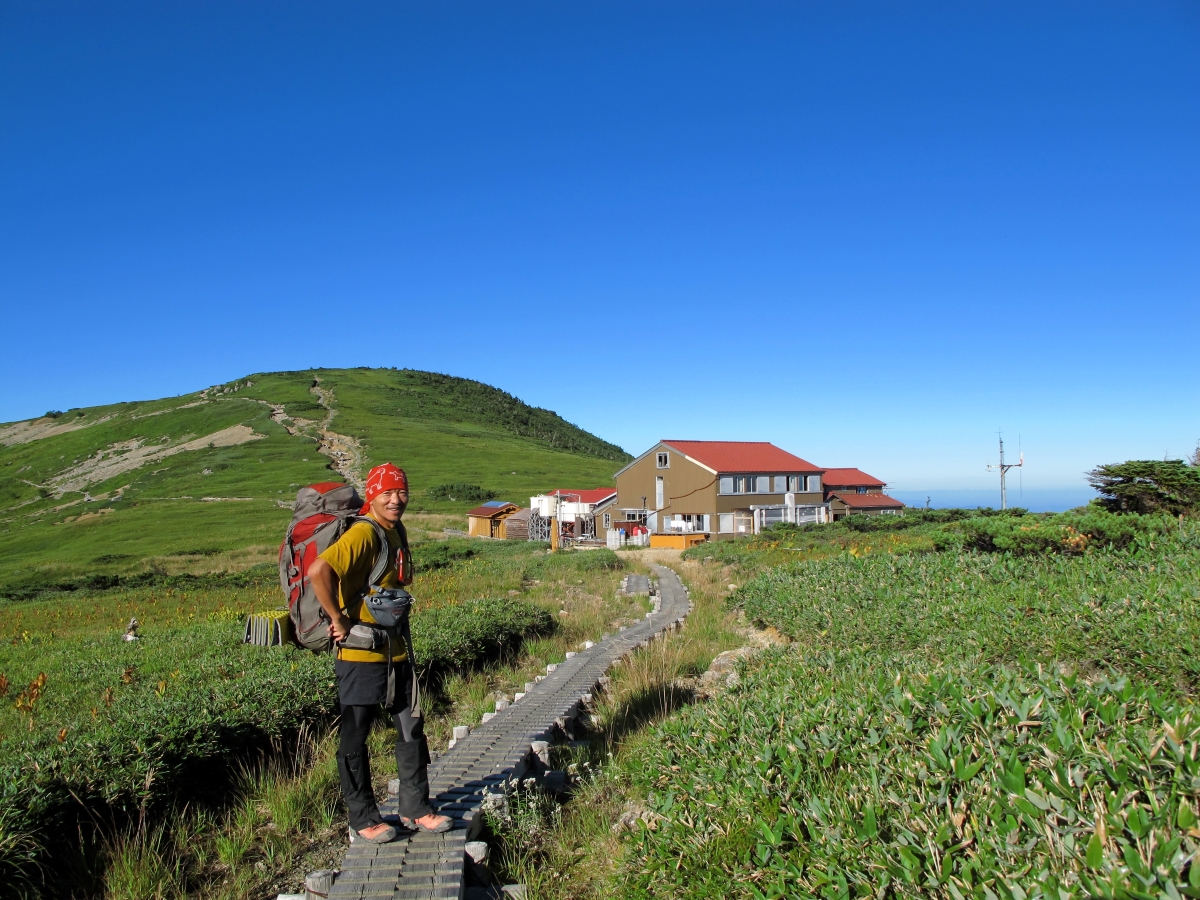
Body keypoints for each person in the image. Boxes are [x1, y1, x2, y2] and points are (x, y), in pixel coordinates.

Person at [308, 462, 452, 843]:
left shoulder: (396, 530)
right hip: (359, 654)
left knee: (411, 726)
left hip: (395, 650)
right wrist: (337, 618)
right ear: (371, 496)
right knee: (356, 734)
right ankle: (363, 817)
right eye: (386, 493)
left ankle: (415, 808)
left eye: (401, 492)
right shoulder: (365, 533)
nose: (395, 499)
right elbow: (318, 571)